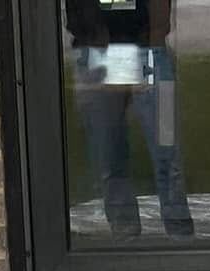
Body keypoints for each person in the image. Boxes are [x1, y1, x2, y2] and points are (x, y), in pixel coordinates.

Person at [66, 0, 195, 241]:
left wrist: (153, 38)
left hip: (150, 53)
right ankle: (125, 235)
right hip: (98, 54)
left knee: (167, 151)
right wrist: (95, 36)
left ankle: (180, 235)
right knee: (109, 154)